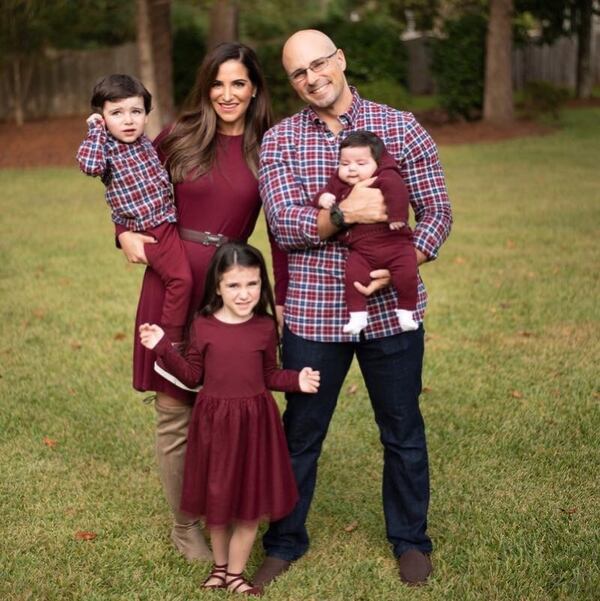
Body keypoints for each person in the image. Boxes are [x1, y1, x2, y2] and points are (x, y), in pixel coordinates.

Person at [256, 30, 452, 587]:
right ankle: (285, 540)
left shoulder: (401, 127)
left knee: (402, 428)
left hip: (392, 312)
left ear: (340, 59)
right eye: (299, 72)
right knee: (302, 431)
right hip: (317, 314)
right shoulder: (280, 141)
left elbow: (436, 211)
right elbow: (286, 225)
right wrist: (345, 214)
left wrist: (405, 261)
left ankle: (410, 540)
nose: (313, 77)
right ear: (291, 82)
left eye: (320, 64)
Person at [116, 42, 286, 563]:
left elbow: (281, 232)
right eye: (218, 83)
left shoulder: (270, 146)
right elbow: (130, 183)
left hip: (227, 289)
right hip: (170, 280)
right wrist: (121, 232)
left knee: (226, 406)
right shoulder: (179, 135)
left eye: (238, 83)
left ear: (254, 87)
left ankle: (226, 510)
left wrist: (283, 304)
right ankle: (183, 524)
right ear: (205, 87)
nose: (227, 94)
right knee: (174, 413)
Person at [139, 242, 320, 595]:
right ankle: (219, 569)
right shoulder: (203, 325)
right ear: (218, 286)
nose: (244, 294)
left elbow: (269, 373)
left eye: (252, 284)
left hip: (255, 426)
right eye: (233, 285)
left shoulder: (265, 326)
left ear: (261, 284)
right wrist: (162, 345)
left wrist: (295, 379)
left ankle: (237, 574)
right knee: (218, 505)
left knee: (248, 508)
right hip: (215, 426)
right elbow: (193, 375)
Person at [76, 74, 193, 345]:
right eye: (117, 113)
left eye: (136, 112)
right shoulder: (105, 147)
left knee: (181, 279)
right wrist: (96, 130)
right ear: (103, 118)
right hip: (151, 229)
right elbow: (89, 166)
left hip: (166, 221)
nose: (128, 120)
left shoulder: (144, 142)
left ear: (146, 115)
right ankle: (171, 340)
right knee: (181, 280)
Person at [313, 130, 419, 334]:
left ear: (377, 163)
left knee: (406, 274)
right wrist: (323, 198)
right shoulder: (339, 181)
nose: (352, 169)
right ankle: (357, 316)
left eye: (361, 164)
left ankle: (406, 312)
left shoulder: (385, 176)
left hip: (396, 245)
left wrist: (397, 216)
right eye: (345, 164)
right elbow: (326, 192)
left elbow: (397, 191)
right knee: (353, 275)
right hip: (361, 250)